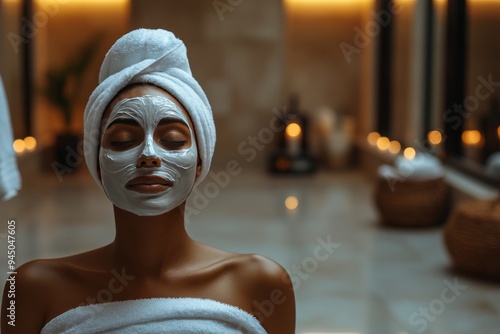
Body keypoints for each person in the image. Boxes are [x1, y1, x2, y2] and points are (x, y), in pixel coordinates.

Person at [1, 29, 295, 334]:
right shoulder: (30, 290)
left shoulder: (263, 286)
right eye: (123, 140)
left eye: (172, 140)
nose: (148, 156)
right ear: (98, 164)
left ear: (198, 162)